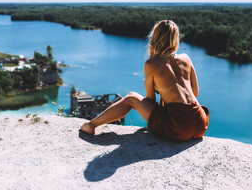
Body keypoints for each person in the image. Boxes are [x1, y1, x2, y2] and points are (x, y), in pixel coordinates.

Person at [80, 20, 209, 141]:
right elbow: (195, 92)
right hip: (200, 123)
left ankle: (91, 125)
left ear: (155, 39)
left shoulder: (151, 64)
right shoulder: (186, 58)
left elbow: (150, 100)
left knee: (131, 97)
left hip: (179, 128)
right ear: (176, 39)